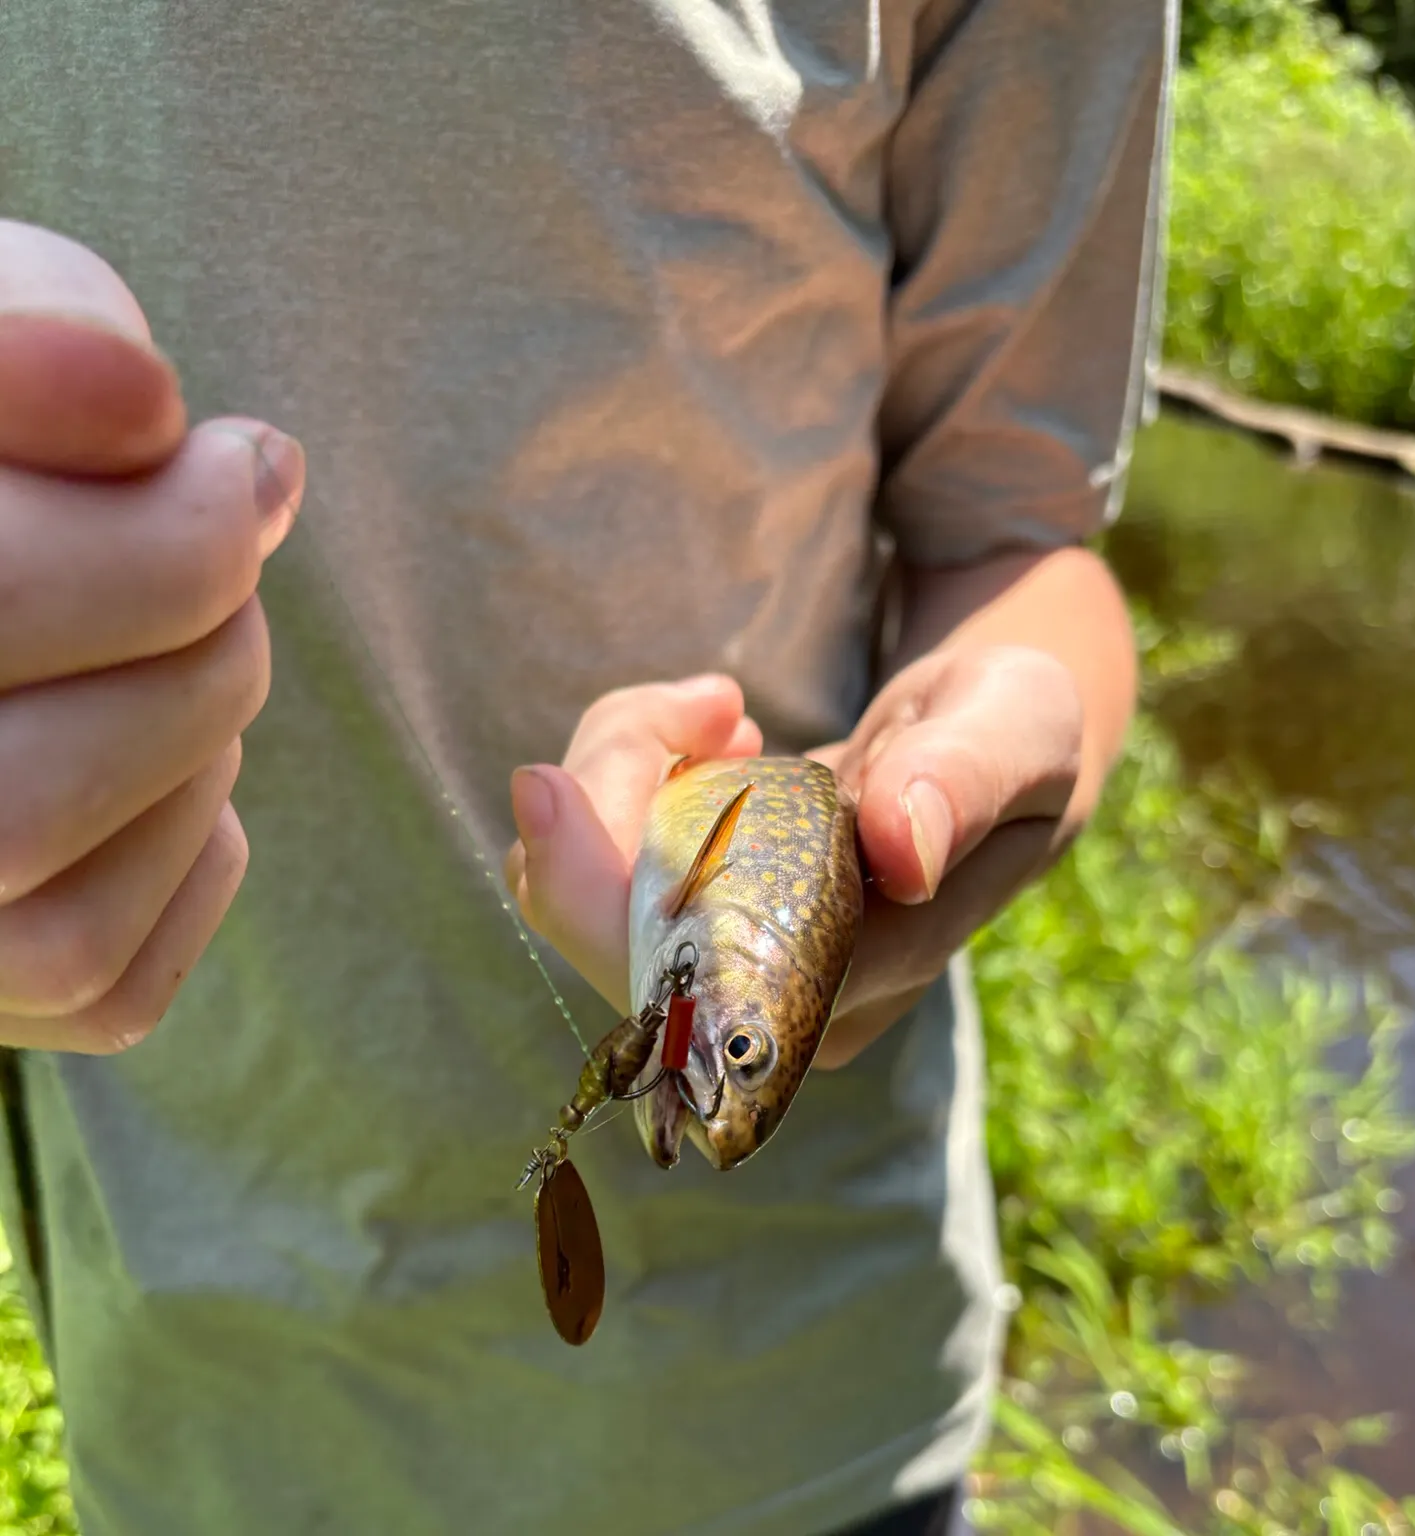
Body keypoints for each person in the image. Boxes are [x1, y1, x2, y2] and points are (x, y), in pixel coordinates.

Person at [0, 1, 1171, 1531]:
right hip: (192, 1391)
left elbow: (1021, 538)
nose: (715, 1087)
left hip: (789, 1420)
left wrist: (988, 747)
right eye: (731, 1060)